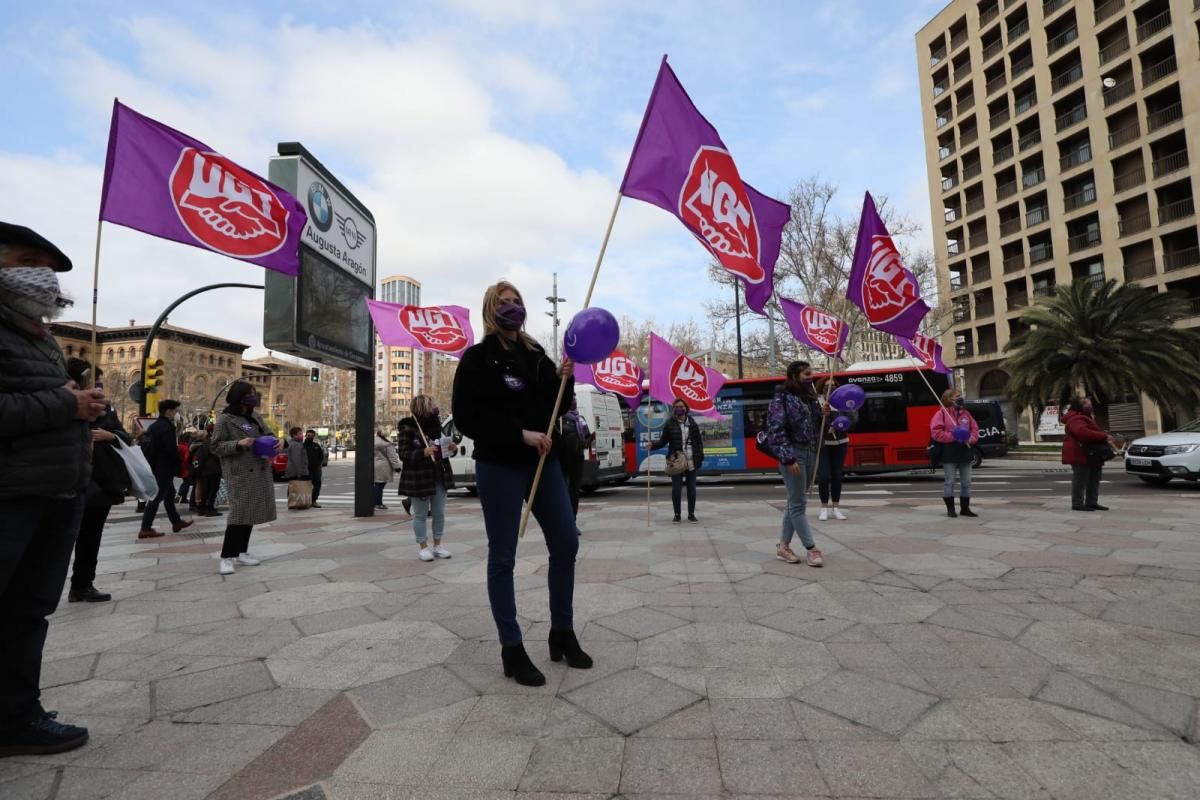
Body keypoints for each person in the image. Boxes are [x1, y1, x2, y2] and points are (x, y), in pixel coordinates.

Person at [452, 279, 589, 687]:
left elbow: (555, 407)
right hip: (499, 465)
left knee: (566, 542)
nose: (512, 308)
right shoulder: (477, 358)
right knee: (504, 557)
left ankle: (561, 632)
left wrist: (565, 380)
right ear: (491, 310)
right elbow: (466, 417)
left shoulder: (536, 354)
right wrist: (519, 435)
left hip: (541, 465)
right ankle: (511, 648)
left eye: (517, 302)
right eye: (504, 303)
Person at [0, 221, 101, 755]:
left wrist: (82, 404)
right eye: (26, 262)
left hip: (56, 492)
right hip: (11, 495)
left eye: (48, 268)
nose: (41, 277)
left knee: (27, 612)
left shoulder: (42, 337)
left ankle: (16, 716)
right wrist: (68, 404)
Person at [65, 359, 131, 604]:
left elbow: (125, 436)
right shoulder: (60, 401)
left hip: (101, 480)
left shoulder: (107, 408)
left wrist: (109, 435)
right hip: (69, 477)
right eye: (94, 381)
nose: (99, 386)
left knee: (91, 536)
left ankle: (82, 584)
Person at [210, 381, 278, 575]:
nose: (253, 397)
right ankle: (226, 556)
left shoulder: (254, 416)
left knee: (250, 514)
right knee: (239, 515)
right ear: (238, 396)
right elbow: (215, 446)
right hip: (239, 474)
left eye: (254, 394)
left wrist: (278, 442)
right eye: (250, 394)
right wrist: (238, 443)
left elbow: (269, 434)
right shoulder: (225, 419)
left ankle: (241, 551)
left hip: (259, 470)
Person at [768, 361, 825, 567]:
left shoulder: (809, 397)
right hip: (794, 453)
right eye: (807, 373)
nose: (811, 376)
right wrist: (788, 457)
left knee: (793, 502)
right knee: (799, 504)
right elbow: (776, 429)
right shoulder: (781, 398)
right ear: (794, 375)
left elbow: (814, 426)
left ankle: (783, 547)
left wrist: (823, 413)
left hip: (809, 451)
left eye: (812, 373)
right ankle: (812, 549)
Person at [397, 395, 457, 561]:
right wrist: (422, 452)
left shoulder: (436, 427)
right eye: (431, 405)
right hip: (419, 478)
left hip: (439, 475)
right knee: (421, 514)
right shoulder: (408, 428)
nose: (435, 408)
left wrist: (451, 448)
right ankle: (423, 547)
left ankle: (438, 545)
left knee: (439, 513)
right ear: (422, 408)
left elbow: (443, 450)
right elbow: (403, 454)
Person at [137, 399, 192, 539]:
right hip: (165, 468)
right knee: (156, 498)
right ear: (168, 412)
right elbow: (170, 449)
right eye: (174, 411)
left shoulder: (154, 426)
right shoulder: (167, 427)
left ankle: (176, 522)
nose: (175, 414)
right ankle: (145, 528)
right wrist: (178, 463)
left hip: (156, 466)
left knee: (169, 495)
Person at [651, 398, 705, 523]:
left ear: (686, 408)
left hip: (691, 460)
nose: (678, 409)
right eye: (676, 407)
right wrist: (652, 446)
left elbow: (699, 442)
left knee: (691, 488)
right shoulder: (670, 423)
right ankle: (677, 514)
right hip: (676, 461)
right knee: (676, 489)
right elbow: (663, 441)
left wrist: (700, 456)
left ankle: (691, 514)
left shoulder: (692, 423)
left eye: (681, 406)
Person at [930, 387, 981, 518]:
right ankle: (950, 509)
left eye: (960, 395)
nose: (960, 398)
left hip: (965, 451)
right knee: (950, 481)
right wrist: (954, 436)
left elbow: (975, 429)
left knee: (966, 482)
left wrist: (970, 438)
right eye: (957, 396)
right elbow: (936, 433)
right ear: (949, 399)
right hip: (949, 451)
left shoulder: (966, 413)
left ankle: (965, 508)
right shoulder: (941, 414)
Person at [1061, 396, 1116, 512]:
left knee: (1094, 478)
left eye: (1090, 403)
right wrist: (1104, 436)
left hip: (1091, 453)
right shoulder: (1076, 419)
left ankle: (1091, 502)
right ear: (1079, 406)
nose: (1090, 406)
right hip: (1081, 452)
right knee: (1081, 479)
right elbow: (1082, 433)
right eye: (1086, 404)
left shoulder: (1086, 417)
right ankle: (1078, 504)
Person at [815, 376, 851, 522]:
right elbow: (812, 421)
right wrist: (822, 415)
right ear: (822, 388)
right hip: (824, 444)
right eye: (826, 386)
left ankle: (836, 508)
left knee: (837, 476)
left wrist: (839, 420)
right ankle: (824, 508)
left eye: (833, 386)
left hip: (841, 442)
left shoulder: (843, 402)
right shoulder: (818, 402)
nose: (830, 388)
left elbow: (852, 418)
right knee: (824, 477)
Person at [556, 397, 592, 523]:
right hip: (564, 460)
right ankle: (564, 520)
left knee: (574, 491)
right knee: (564, 490)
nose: (574, 400)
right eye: (572, 398)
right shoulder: (559, 418)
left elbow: (586, 437)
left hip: (578, 458)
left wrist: (589, 440)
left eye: (575, 398)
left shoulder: (580, 419)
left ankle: (572, 520)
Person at [192, 426, 223, 517]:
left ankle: (204, 508)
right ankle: (210, 509)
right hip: (213, 469)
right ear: (211, 432)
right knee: (212, 490)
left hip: (206, 470)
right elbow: (217, 454)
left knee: (207, 490)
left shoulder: (205, 442)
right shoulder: (212, 442)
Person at [373, 431, 401, 511]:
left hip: (375, 464)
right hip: (383, 465)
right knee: (380, 485)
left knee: (376, 484)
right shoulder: (386, 444)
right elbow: (392, 456)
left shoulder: (373, 441)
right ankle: (378, 503)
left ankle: (375, 502)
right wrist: (397, 467)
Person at [283, 426, 309, 508]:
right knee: (295, 487)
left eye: (301, 433)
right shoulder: (296, 445)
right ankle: (295, 503)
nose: (302, 435)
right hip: (296, 471)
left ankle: (293, 503)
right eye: (299, 434)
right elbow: (297, 460)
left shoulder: (296, 443)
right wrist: (300, 473)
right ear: (294, 435)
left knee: (293, 487)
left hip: (294, 471)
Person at [303, 429, 327, 508]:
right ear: (306, 436)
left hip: (316, 469)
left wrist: (319, 464)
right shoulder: (302, 446)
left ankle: (314, 500)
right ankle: (306, 501)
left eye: (311, 436)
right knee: (307, 486)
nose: (310, 437)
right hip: (307, 469)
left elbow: (321, 455)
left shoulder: (316, 445)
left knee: (317, 485)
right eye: (308, 435)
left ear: (314, 436)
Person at [176, 432, 193, 510]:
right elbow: (187, 459)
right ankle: (181, 495)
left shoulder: (179, 446)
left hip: (180, 467)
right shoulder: (186, 447)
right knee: (187, 482)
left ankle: (182, 497)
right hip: (186, 467)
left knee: (185, 481)